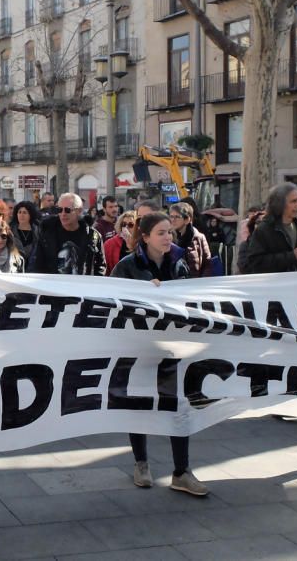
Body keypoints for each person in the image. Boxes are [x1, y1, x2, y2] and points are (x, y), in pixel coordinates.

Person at [110, 212, 208, 496]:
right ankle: (141, 463)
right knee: (138, 404)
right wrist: (144, 294)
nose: (168, 237)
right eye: (162, 233)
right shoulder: (127, 267)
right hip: (137, 346)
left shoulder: (178, 263)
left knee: (178, 405)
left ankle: (182, 471)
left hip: (173, 346)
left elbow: (189, 302)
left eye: (170, 232)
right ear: (145, 237)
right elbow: (114, 305)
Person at [32, 193, 105, 276]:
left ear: (79, 211)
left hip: (83, 286)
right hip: (53, 286)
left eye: (67, 210)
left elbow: (100, 267)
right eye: (59, 210)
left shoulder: (93, 236)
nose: (63, 214)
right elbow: (37, 264)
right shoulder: (47, 233)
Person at [244, 182, 297, 274]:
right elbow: (255, 261)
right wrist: (290, 257)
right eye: (294, 201)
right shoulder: (264, 229)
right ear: (280, 204)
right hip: (274, 285)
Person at [169, 202, 213, 277]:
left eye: (177, 217)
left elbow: (207, 264)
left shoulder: (199, 237)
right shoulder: (168, 238)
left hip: (195, 284)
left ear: (187, 219)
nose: (173, 220)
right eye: (171, 216)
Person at [102, 210, 138, 275]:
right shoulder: (110, 244)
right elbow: (104, 270)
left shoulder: (143, 243)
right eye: (123, 224)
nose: (126, 227)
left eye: (131, 225)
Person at [10, 201, 41, 266]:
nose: (21, 215)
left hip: (33, 267)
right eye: (19, 212)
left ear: (31, 214)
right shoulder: (10, 230)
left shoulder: (38, 231)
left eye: (25, 212)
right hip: (14, 266)